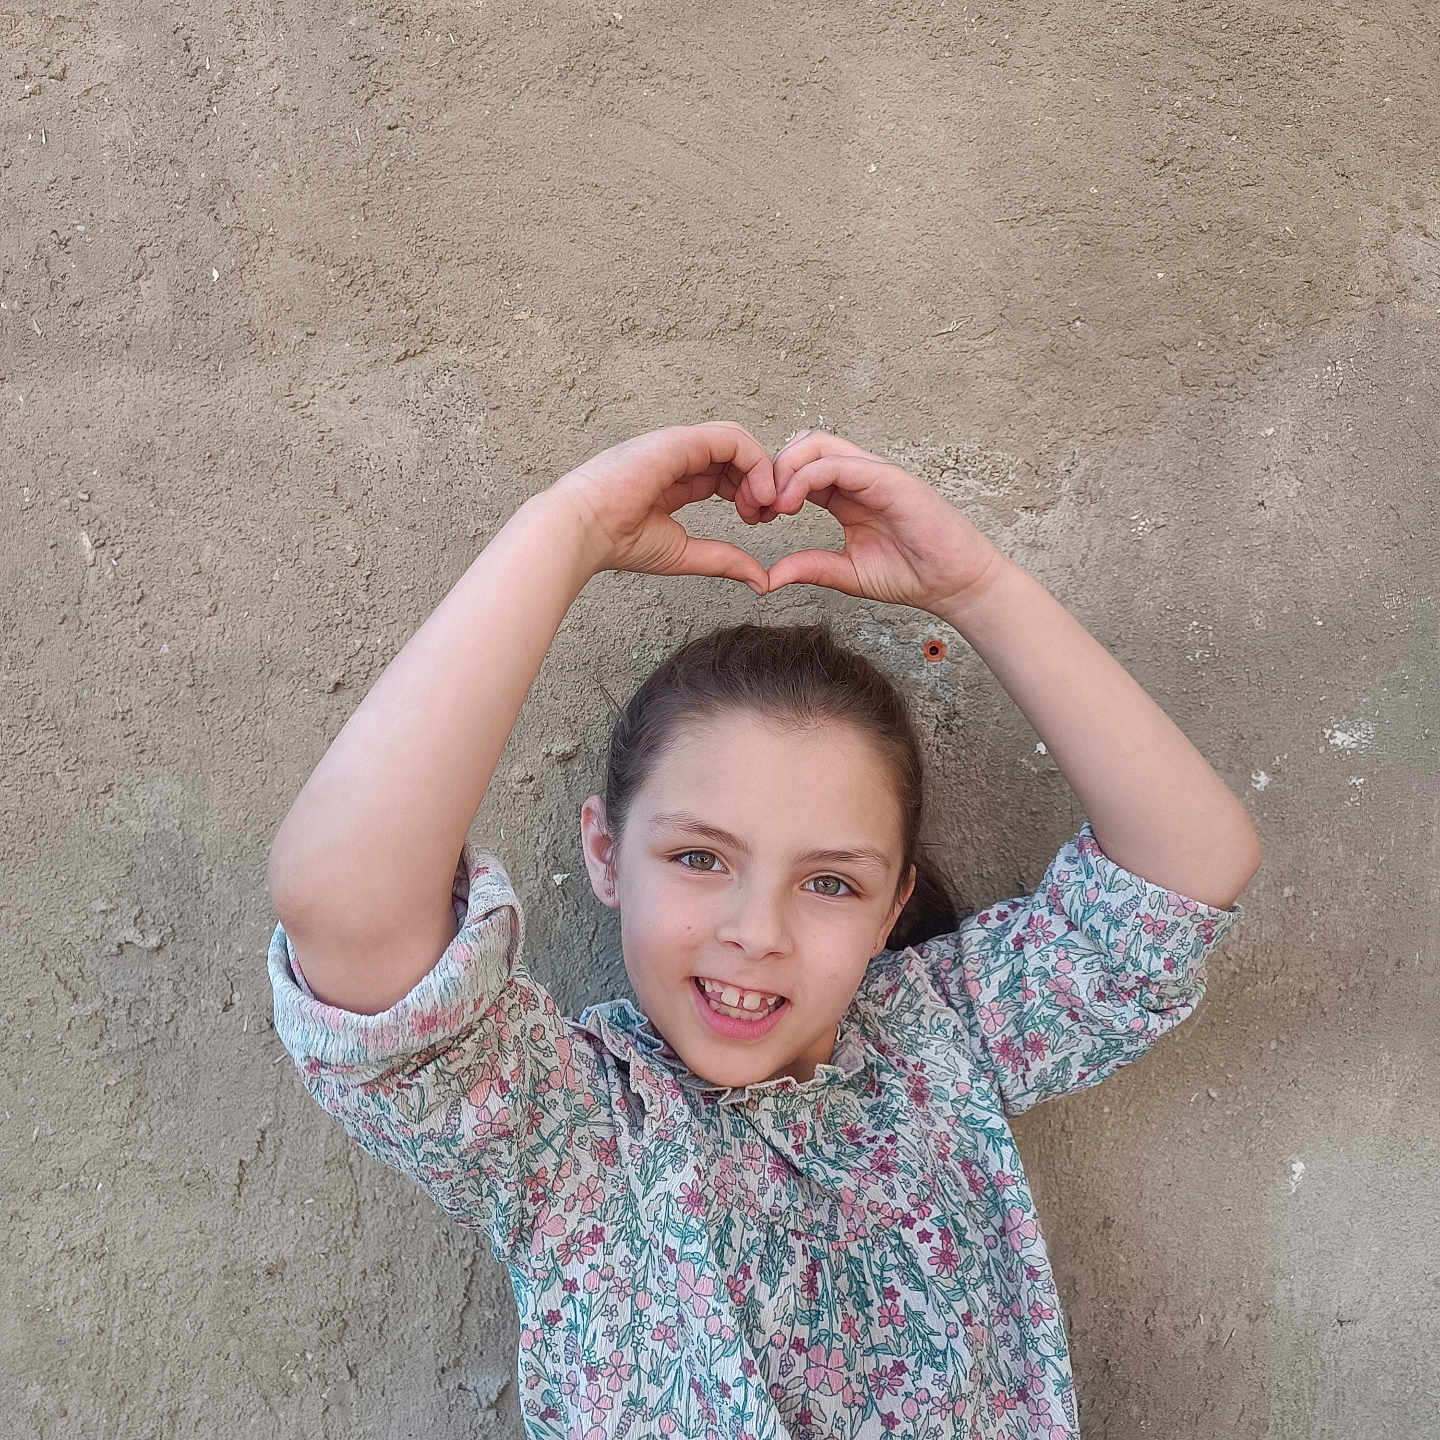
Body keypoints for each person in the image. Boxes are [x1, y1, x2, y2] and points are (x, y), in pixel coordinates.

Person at [265, 421, 1260, 1439]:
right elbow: (345, 909)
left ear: (891, 906)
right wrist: (562, 531)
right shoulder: (568, 1131)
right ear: (605, 855)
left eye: (829, 882)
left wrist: (978, 589)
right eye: (699, 858)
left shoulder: (941, 1042)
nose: (756, 932)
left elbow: (1186, 872)